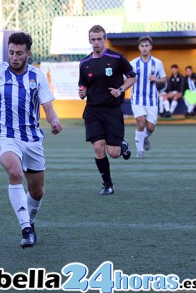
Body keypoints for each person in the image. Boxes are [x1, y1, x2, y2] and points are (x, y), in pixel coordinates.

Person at [0, 32, 63, 248]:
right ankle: (26, 229)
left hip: (32, 139)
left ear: (28, 53)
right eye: (11, 53)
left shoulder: (37, 76)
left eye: (19, 53)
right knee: (15, 173)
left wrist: (54, 121)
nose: (14, 57)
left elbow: (49, 109)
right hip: (4, 136)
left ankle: (29, 222)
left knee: (37, 191)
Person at [78, 25, 136, 195]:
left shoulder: (117, 58)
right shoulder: (84, 63)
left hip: (112, 110)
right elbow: (83, 85)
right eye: (93, 39)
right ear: (89, 40)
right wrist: (82, 91)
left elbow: (132, 77)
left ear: (105, 39)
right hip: (93, 111)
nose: (96, 43)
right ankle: (108, 184)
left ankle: (121, 144)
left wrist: (121, 89)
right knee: (98, 147)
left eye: (99, 39)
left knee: (114, 153)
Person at [129, 36, 167, 159]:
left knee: (150, 127)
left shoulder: (158, 63)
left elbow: (164, 79)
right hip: (137, 98)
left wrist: (156, 79)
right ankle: (140, 152)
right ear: (139, 48)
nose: (144, 48)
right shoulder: (133, 63)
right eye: (142, 46)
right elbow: (127, 78)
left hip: (152, 99)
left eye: (146, 46)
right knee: (140, 122)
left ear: (150, 47)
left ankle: (144, 137)